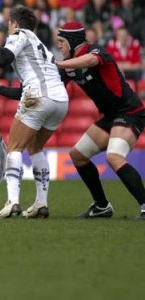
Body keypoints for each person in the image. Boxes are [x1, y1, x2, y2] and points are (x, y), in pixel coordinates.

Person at [0, 6, 69, 218]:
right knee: (35, 147)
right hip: (60, 100)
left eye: (10, 23)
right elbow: (26, 87)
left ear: (14, 24)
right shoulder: (41, 47)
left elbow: (3, 58)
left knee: (14, 148)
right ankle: (41, 203)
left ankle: (12, 202)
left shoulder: (20, 34)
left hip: (39, 96)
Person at [56, 21, 145, 220]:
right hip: (111, 116)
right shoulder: (67, 65)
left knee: (114, 157)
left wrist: (59, 63)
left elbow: (90, 61)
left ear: (72, 41)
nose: (59, 46)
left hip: (130, 111)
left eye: (61, 41)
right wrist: (4, 90)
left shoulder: (95, 51)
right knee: (77, 155)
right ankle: (102, 206)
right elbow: (52, 89)